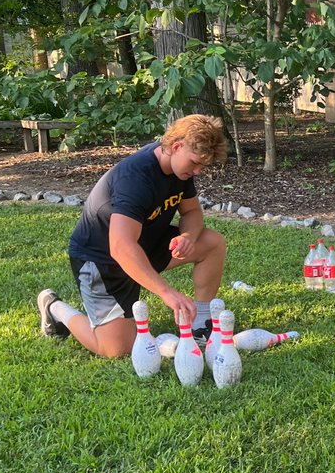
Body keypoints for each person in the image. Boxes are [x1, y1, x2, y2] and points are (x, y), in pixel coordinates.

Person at [36, 113, 229, 359]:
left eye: (203, 165)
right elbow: (121, 247)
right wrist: (168, 294)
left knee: (212, 243)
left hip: (144, 244)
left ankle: (201, 324)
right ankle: (55, 308)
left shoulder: (180, 171)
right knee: (116, 350)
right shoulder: (137, 178)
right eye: (195, 163)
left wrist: (188, 236)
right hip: (102, 259)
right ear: (177, 146)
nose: (198, 171)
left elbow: (191, 211)